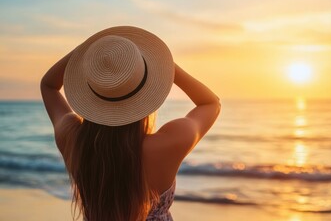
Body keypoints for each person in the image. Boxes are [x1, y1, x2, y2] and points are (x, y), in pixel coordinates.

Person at [40, 26, 221, 221]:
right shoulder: (167, 143)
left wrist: (88, 53)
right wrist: (166, 66)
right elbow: (211, 103)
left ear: (91, 90)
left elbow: (48, 86)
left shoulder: (73, 139)